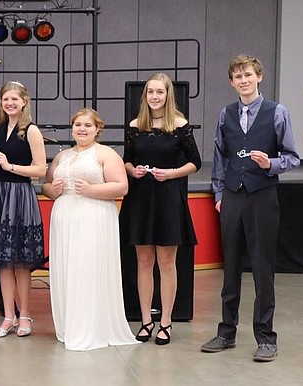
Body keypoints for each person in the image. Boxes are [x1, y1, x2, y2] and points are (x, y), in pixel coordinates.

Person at [201, 54, 300, 362]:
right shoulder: (225, 114)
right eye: (237, 77)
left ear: (259, 77)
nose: (243, 80)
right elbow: (220, 157)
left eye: (248, 75)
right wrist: (219, 192)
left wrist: (270, 163)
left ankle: (266, 338)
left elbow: (293, 157)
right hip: (231, 196)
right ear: (232, 83)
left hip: (262, 196)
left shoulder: (276, 112)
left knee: (261, 267)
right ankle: (226, 332)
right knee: (230, 266)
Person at [42, 108, 139, 351]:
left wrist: (91, 190)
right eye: (78, 125)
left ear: (98, 129)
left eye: (88, 125)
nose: (82, 129)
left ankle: (91, 327)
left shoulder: (106, 154)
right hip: (65, 215)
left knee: (88, 268)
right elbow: (46, 187)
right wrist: (54, 189)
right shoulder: (62, 157)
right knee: (67, 269)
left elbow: (122, 187)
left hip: (93, 215)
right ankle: (69, 324)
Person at [119, 73, 201, 345]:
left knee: (167, 263)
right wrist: (134, 171)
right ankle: (145, 320)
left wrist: (172, 173)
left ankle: (165, 321)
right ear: (145, 96)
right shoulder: (134, 125)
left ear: (168, 95)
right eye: (150, 92)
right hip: (141, 198)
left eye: (160, 92)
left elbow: (195, 163)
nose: (155, 96)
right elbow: (127, 161)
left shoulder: (180, 125)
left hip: (168, 197)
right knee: (143, 262)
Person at [0, 81, 46, 338]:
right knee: (3, 263)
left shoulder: (31, 131)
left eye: (14, 99)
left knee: (20, 263)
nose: (10, 103)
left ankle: (25, 316)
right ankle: (8, 317)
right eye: (6, 99)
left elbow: (41, 171)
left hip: (20, 196)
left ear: (24, 101)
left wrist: (10, 167)